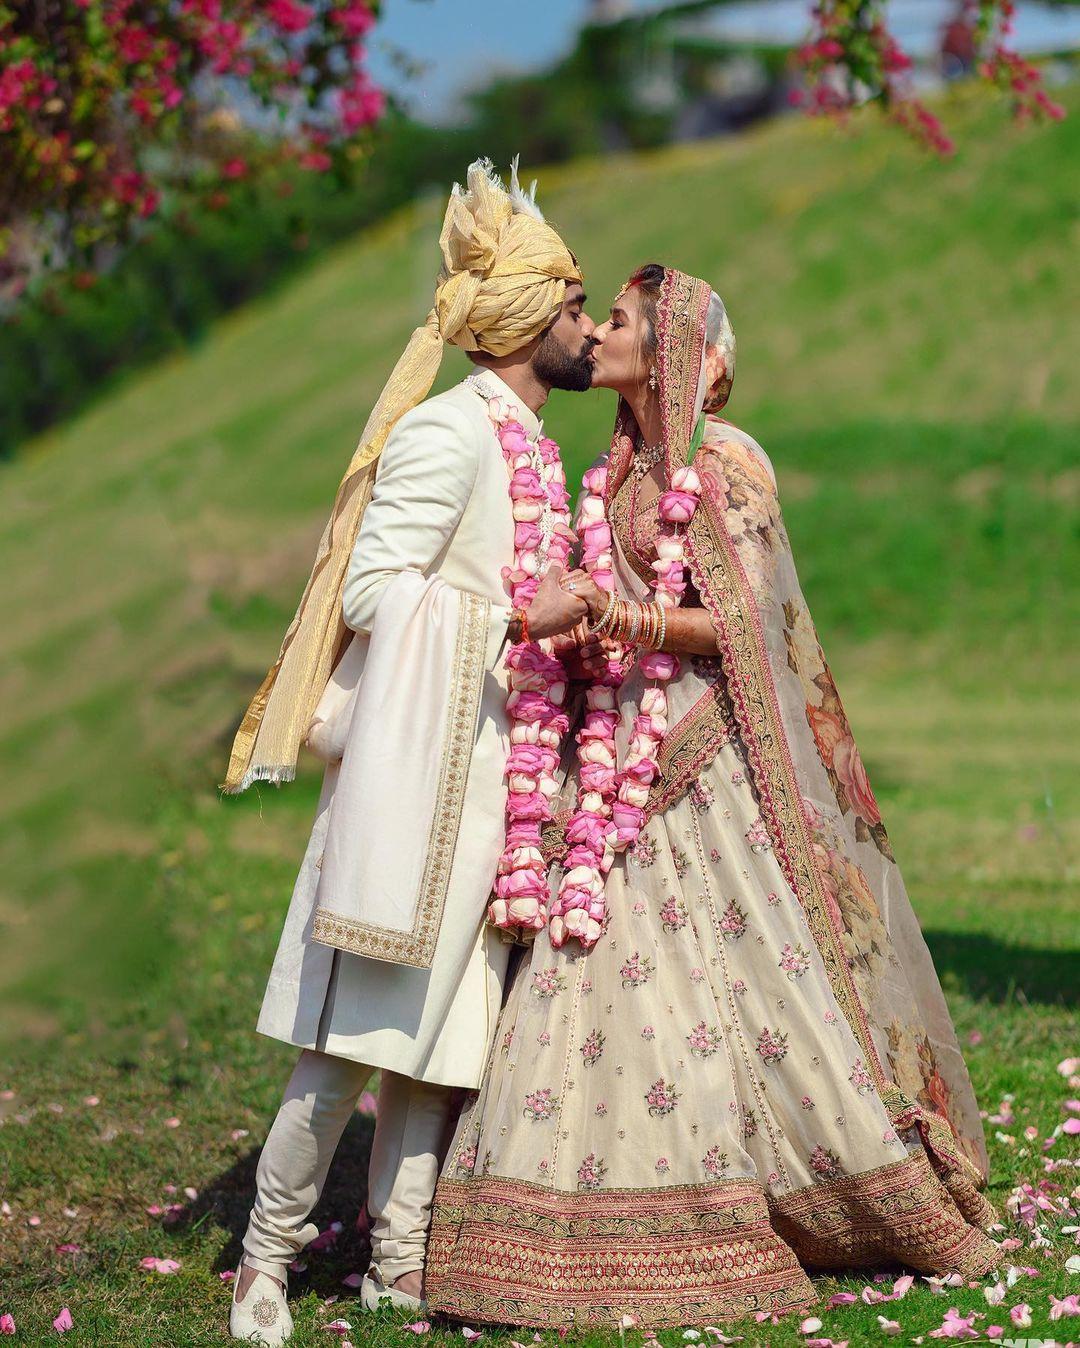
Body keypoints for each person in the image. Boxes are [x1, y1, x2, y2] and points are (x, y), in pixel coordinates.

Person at [424, 265, 1000, 1329]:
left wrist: (607, 611)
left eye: (624, 320)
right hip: (616, 759)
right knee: (592, 970)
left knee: (734, 988)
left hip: (704, 763)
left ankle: (797, 1192)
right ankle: (554, 1212)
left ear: (679, 346)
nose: (597, 332)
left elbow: (740, 628)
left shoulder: (728, 465)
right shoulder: (620, 466)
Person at [222, 159, 596, 1344]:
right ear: (532, 321)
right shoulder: (449, 432)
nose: (591, 328)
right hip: (412, 786)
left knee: (439, 1056)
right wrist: (512, 620)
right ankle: (265, 1266)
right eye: (578, 306)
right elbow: (379, 589)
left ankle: (398, 1267)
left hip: (495, 785)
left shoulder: (532, 445)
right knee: (342, 1058)